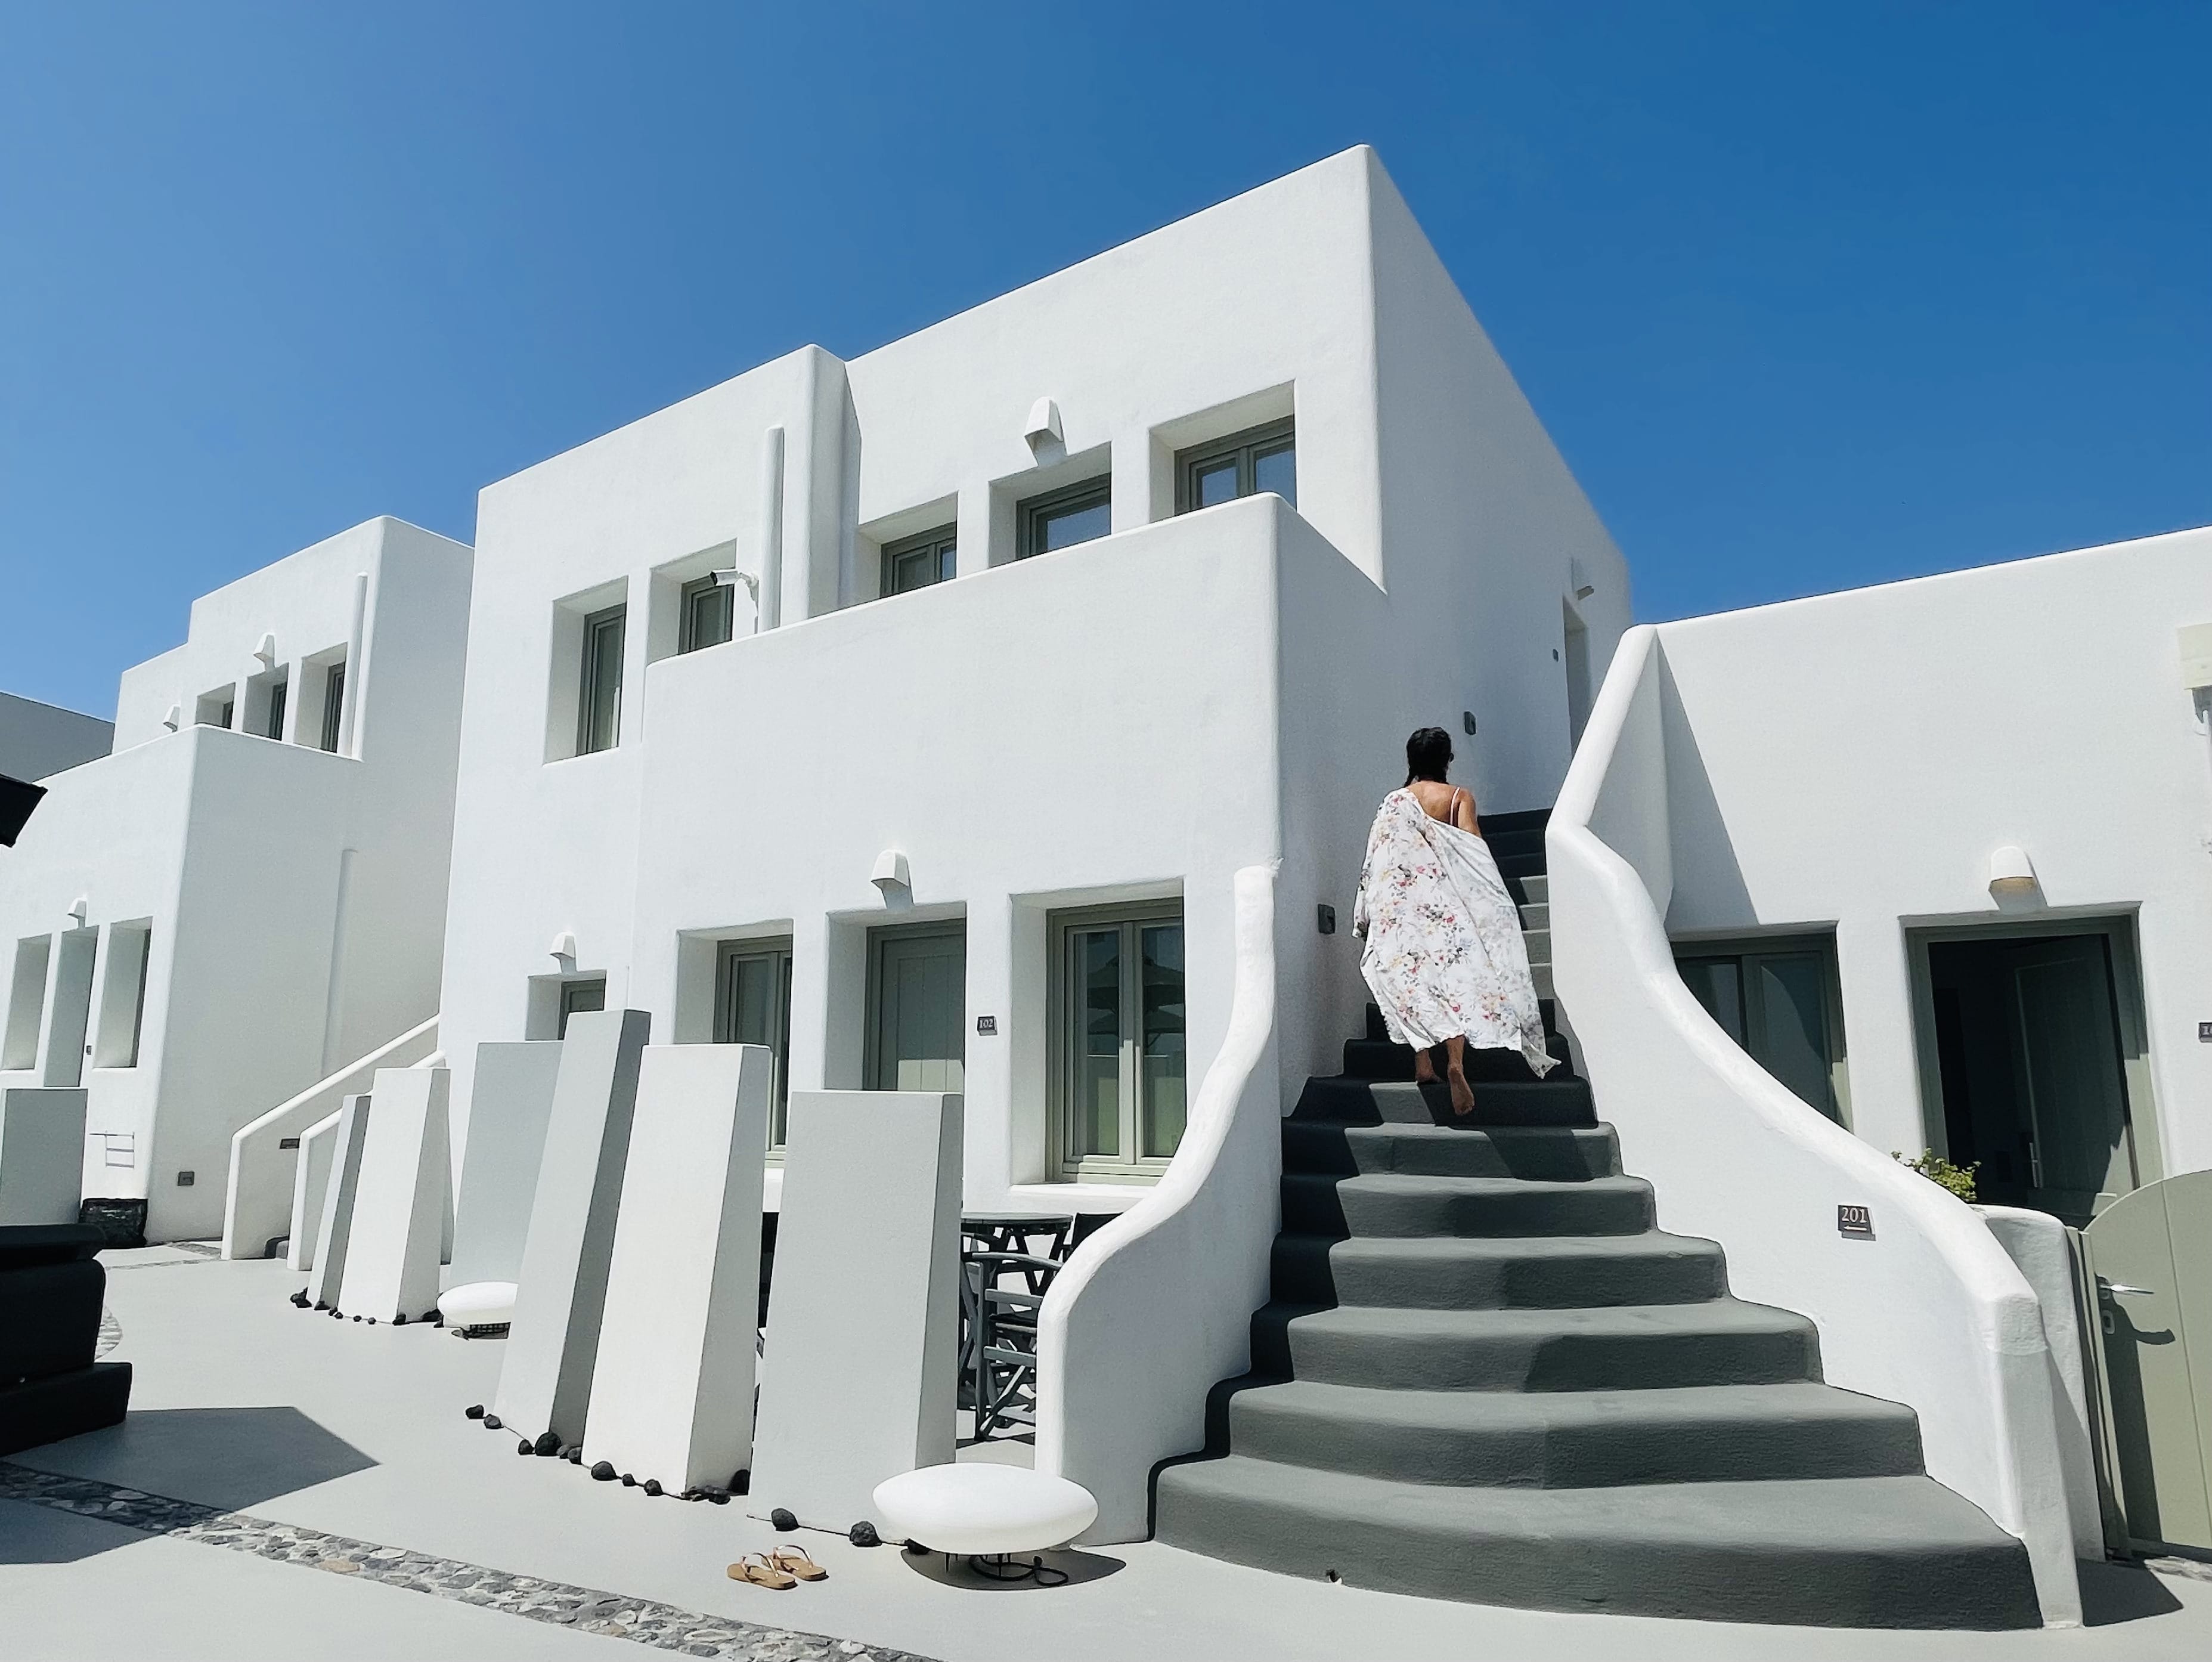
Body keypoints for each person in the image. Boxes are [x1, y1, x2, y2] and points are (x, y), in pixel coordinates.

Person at [1352, 726, 1554, 1114]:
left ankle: (1424, 1062)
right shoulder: (1459, 797)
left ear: (1412, 760)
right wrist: (1493, 901)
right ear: (1447, 759)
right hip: (1446, 905)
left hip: (1404, 911)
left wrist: (1368, 912)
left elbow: (1377, 860)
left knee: (1416, 982)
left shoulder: (1394, 801)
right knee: (1457, 980)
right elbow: (1472, 850)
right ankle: (1456, 1064)